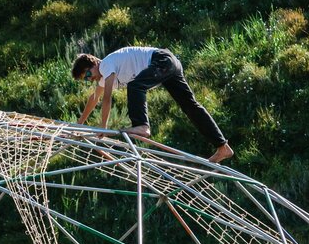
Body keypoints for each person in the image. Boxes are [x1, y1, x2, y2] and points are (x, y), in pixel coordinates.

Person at [72, 46, 233, 163]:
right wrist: (78, 125)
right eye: (85, 79)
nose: (89, 79)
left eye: (87, 74)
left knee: (135, 85)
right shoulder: (103, 77)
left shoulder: (106, 64)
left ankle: (142, 126)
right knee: (190, 106)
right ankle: (222, 147)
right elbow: (94, 99)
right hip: (169, 63)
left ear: (94, 62)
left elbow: (107, 99)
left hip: (161, 60)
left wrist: (103, 127)